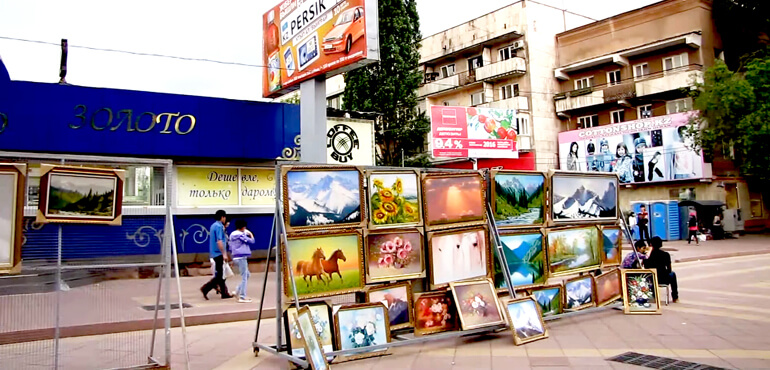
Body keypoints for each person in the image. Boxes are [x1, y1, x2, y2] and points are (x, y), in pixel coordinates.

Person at [200, 210, 233, 300]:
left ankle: (224, 293)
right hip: (218, 253)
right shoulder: (219, 226)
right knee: (219, 275)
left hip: (214, 252)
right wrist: (224, 254)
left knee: (221, 274)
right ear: (222, 217)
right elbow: (219, 241)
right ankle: (205, 288)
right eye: (224, 217)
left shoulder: (213, 226)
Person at [644, 237, 679, 302]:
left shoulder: (647, 256)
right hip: (663, 279)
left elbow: (645, 268)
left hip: (651, 279)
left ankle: (654, 296)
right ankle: (675, 297)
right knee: (673, 274)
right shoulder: (665, 254)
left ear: (651, 245)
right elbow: (669, 269)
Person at [229, 219, 255, 303]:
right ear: (243, 227)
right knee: (244, 277)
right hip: (241, 257)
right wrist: (250, 234)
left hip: (236, 256)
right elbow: (252, 241)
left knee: (247, 275)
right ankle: (242, 297)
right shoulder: (240, 235)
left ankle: (237, 291)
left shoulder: (232, 234)